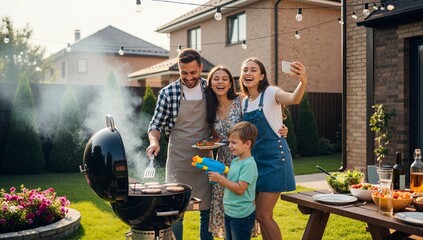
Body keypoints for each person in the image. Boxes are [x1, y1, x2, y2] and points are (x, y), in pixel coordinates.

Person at [205, 65, 288, 238]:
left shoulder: (242, 101)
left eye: (225, 79)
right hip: (224, 161)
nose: (220, 82)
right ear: (210, 84)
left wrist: (281, 127)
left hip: (245, 159)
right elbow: (215, 135)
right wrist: (210, 143)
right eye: (216, 79)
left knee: (249, 209)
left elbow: (262, 117)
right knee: (228, 208)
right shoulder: (209, 108)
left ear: (230, 84)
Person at [146, 48, 213, 240]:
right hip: (178, 158)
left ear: (200, 68)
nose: (189, 77)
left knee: (206, 210)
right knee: (175, 212)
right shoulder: (168, 93)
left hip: (204, 159)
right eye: (184, 73)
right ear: (179, 69)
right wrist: (154, 141)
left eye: (193, 72)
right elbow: (156, 124)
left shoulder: (210, 90)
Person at [238, 57, 307, 240]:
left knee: (262, 214)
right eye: (245, 70)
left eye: (253, 70)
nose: (248, 73)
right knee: (262, 217)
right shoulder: (244, 102)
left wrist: (302, 81)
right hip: (255, 163)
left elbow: (294, 98)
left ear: (261, 76)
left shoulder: (271, 92)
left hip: (275, 160)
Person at [208, 121, 259, 240]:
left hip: (241, 216)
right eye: (229, 142)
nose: (229, 145)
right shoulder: (236, 160)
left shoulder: (249, 164)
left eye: (234, 142)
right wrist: (217, 171)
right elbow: (232, 175)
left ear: (247, 144)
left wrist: (220, 179)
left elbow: (240, 189)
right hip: (230, 212)